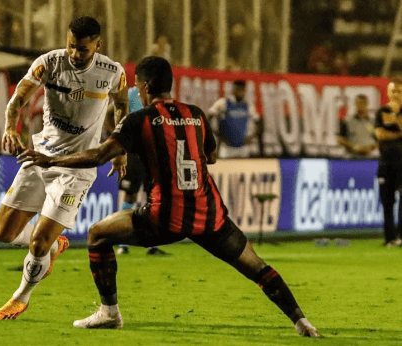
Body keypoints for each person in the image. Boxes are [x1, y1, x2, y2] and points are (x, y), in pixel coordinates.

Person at [18, 56, 321, 337]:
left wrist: (52, 160)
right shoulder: (197, 114)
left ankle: (109, 312)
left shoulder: (140, 120)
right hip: (210, 216)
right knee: (256, 266)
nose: (137, 89)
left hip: (164, 217)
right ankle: (302, 321)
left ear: (146, 86)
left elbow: (98, 155)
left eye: (137, 84)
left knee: (98, 234)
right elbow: (211, 157)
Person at [0, 16, 129, 320]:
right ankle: (55, 246)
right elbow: (17, 100)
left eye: (82, 48)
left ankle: (20, 297)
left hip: (76, 168)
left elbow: (121, 106)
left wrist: (120, 151)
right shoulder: (49, 63)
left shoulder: (112, 73)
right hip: (40, 157)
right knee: (1, 232)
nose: (75, 54)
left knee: (39, 242)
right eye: (71, 46)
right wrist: (10, 128)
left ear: (97, 45)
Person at [114, 87, 167, 256]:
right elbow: (111, 112)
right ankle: (123, 242)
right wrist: (120, 138)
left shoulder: (159, 96)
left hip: (153, 153)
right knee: (131, 195)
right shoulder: (130, 94)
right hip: (135, 154)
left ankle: (151, 244)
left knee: (153, 196)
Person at [375, 78, 402, 247]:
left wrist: (391, 128)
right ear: (388, 92)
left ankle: (400, 236)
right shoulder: (381, 111)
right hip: (386, 163)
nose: (396, 94)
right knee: (387, 202)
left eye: (399, 91)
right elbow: (380, 135)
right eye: (393, 91)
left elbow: (386, 134)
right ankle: (389, 238)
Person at [206, 80, 259, 158]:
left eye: (242, 90)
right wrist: (216, 134)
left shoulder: (248, 106)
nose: (240, 92)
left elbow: (257, 121)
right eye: (238, 89)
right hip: (226, 147)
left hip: (243, 147)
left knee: (244, 169)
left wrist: (251, 137)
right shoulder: (222, 103)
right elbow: (208, 116)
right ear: (233, 90)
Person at [337, 95, 378, 159]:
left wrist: (370, 148)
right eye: (358, 103)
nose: (360, 105)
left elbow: (379, 139)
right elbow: (340, 139)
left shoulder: (373, 122)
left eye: (362, 103)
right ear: (355, 104)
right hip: (351, 157)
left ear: (366, 104)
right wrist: (354, 147)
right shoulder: (347, 121)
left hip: (369, 157)